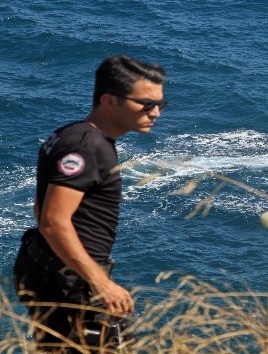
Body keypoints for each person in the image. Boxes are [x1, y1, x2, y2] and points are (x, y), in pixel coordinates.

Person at [13, 54, 166, 351]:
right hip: (69, 280)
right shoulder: (86, 147)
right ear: (109, 101)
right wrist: (100, 282)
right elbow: (53, 221)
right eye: (146, 104)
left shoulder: (72, 136)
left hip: (54, 269)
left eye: (161, 104)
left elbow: (40, 206)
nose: (156, 112)